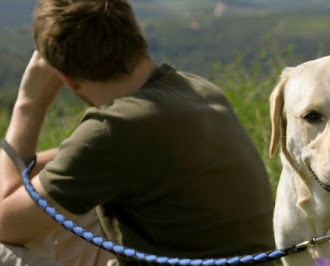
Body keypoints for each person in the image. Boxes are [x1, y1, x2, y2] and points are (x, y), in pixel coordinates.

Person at [0, 0, 275, 265]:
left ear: (68, 80)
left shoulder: (113, 131)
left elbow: (3, 224)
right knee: (58, 203)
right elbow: (80, 161)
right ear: (138, 33)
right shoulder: (193, 88)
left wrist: (29, 105)